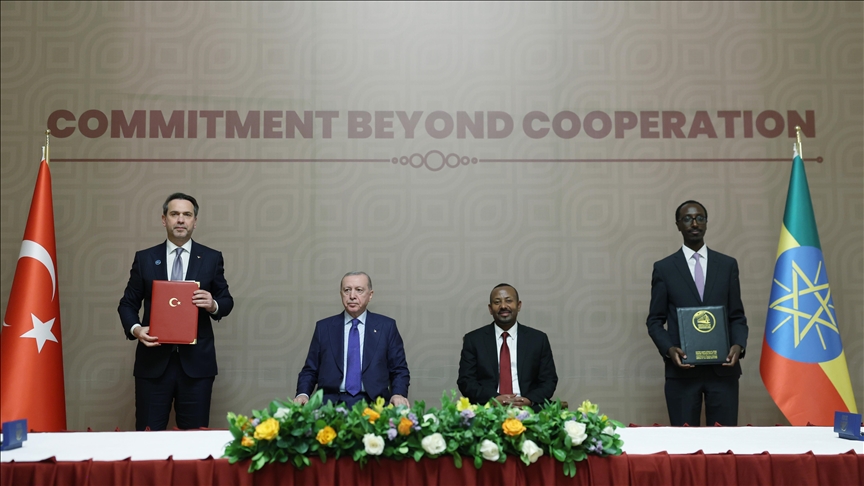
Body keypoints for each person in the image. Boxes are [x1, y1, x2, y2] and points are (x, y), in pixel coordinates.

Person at [118, 193, 234, 431]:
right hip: (153, 365)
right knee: (148, 437)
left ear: (195, 221)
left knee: (194, 439)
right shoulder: (145, 259)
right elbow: (127, 304)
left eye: (187, 215)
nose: (181, 220)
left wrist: (213, 304)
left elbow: (226, 301)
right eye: (175, 214)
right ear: (164, 219)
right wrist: (137, 329)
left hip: (197, 367)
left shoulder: (211, 258)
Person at [646, 200, 748, 426]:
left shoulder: (727, 265)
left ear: (706, 223)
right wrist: (669, 349)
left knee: (724, 442)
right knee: (684, 443)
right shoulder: (664, 268)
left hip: (723, 371)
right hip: (682, 372)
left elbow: (737, 316)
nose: (694, 223)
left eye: (700, 218)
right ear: (678, 225)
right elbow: (654, 321)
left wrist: (738, 346)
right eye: (687, 219)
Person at [294, 272, 410, 408]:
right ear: (341, 294)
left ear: (370, 295)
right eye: (347, 290)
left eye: (359, 290)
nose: (352, 296)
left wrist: (398, 394)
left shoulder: (386, 327)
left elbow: (399, 370)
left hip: (374, 404)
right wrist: (303, 394)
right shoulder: (324, 328)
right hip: (330, 404)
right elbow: (310, 370)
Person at [457, 283, 558, 412]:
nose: (503, 306)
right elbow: (466, 381)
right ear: (490, 309)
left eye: (509, 301)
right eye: (497, 302)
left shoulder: (538, 339)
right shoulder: (474, 340)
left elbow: (549, 380)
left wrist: (529, 400)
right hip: (488, 409)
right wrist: (493, 399)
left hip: (529, 409)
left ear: (519, 305)